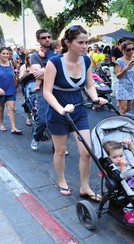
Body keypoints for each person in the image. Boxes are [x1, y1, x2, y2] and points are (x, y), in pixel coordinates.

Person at [43, 25, 108, 200]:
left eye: (86, 42)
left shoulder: (86, 60)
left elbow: (89, 85)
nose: (85, 45)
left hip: (78, 111)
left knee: (87, 151)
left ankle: (84, 187)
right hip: (58, 113)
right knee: (60, 150)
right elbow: (47, 92)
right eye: (80, 42)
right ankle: (62, 180)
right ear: (68, 43)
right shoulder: (55, 62)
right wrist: (61, 109)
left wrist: (95, 98)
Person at [30, 28, 57, 151]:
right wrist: (52, 70)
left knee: (58, 120)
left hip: (58, 90)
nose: (47, 39)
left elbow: (62, 71)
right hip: (43, 91)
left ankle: (56, 146)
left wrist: (44, 70)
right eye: (43, 37)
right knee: (42, 120)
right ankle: (36, 137)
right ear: (38, 40)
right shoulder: (35, 56)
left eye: (49, 37)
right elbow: (37, 75)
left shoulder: (57, 53)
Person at [0, 47, 23, 135]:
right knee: (1, 109)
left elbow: (12, 75)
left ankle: (13, 127)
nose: (5, 55)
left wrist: (16, 86)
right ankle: (1, 123)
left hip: (10, 88)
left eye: (7, 54)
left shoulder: (10, 63)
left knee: (11, 108)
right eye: (3, 53)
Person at [19, 49, 37, 126]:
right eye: (29, 57)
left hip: (37, 86)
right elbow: (19, 79)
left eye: (32, 57)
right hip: (27, 87)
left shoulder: (39, 65)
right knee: (28, 102)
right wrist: (24, 75)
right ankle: (28, 117)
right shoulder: (24, 67)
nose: (31, 59)